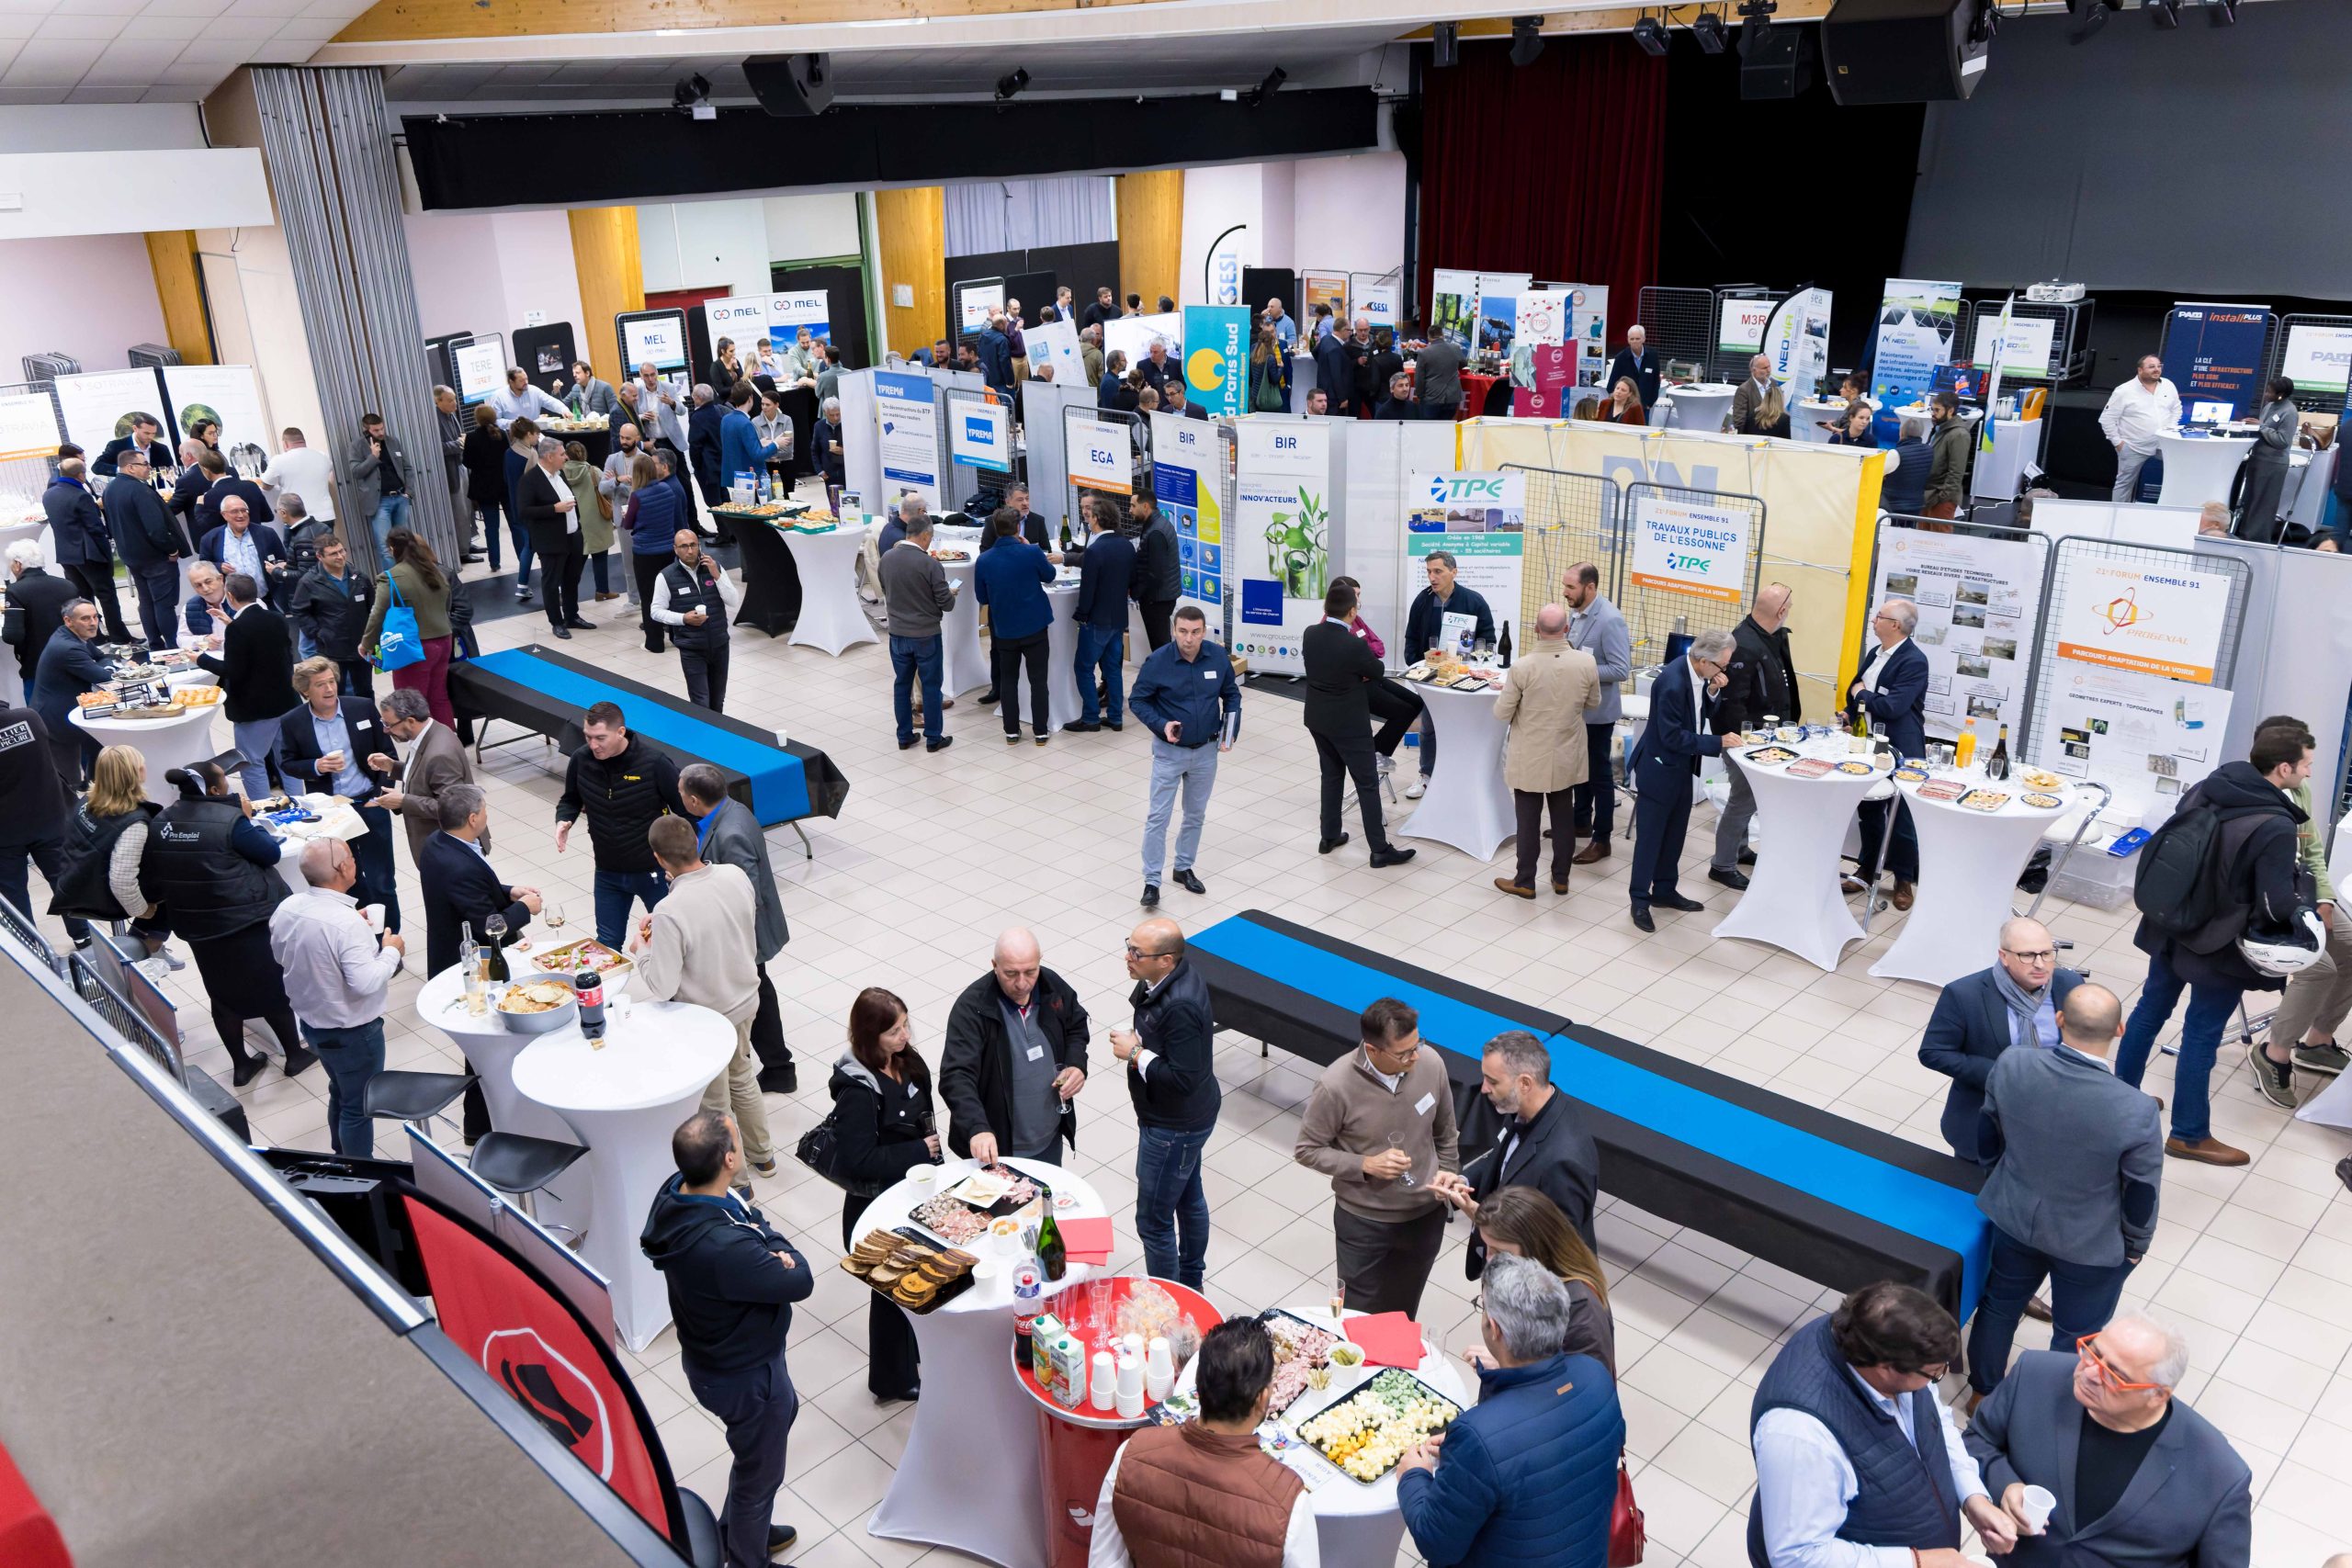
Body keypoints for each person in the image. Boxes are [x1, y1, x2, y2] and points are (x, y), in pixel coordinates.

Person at [2116, 722, 2312, 1166]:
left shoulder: (2210, 786)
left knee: (2149, 1010)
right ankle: (2188, 1135)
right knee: (2201, 1034)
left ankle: (2120, 1101)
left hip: (2173, 919)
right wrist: (2304, 902)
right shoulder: (2276, 824)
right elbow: (2275, 903)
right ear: (2283, 768)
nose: (2308, 773)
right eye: (2306, 764)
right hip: (2218, 942)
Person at [1965, 982, 2161, 1404]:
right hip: (2089, 1243)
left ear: (2058, 1020)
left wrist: (2000, 1181)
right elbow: (2141, 1190)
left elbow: (1987, 1131)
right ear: (2120, 1030)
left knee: (1999, 1305)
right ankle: (2042, 1411)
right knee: (2075, 1335)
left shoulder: (2013, 1063)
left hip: (2014, 1217)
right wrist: (2136, 1245)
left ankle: (1982, 1393)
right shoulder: (2136, 1109)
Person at [639, 1111, 810, 1568]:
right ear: (730, 1160)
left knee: (767, 1435)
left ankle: (736, 1530)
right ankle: (748, 1558)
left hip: (719, 1358)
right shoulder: (723, 1248)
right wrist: (776, 1248)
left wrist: (759, 1238)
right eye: (736, 1137)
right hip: (744, 1373)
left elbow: (750, 1219)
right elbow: (800, 1279)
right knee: (761, 1474)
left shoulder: (678, 1193)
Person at [1750, 1281, 2018, 1568]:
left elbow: (1933, 1420)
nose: (1936, 1379)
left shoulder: (1874, 1337)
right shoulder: (1800, 1435)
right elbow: (1798, 1557)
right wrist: (1919, 1561)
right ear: (1885, 1368)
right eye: (1933, 1374)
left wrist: (1972, 1497)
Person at [1962, 1317, 2251, 1567]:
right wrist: (2006, 1485)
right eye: (2093, 1353)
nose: (2089, 1373)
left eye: (2114, 1375)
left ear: (2157, 1395)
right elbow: (1978, 1440)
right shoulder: (2035, 1376)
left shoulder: (2220, 1476)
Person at [1396, 1254, 1623, 1568]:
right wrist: (1468, 1460)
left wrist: (1414, 1475)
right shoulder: (1596, 1377)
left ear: (1495, 1328)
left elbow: (1436, 1542)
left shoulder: (1479, 1436)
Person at [1090, 1317, 1320, 1568]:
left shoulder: (1130, 1455)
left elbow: (1103, 1561)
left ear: (1198, 1386)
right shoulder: (1288, 1503)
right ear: (1263, 1398)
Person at [141, 761, 310, 1087]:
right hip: (244, 921)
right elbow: (269, 853)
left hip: (197, 924)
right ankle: (294, 1055)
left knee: (222, 996)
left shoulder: (162, 821)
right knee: (271, 988)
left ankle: (241, 1065)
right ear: (215, 790)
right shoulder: (230, 820)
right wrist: (248, 819)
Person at [632, 815, 777, 1188]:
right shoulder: (734, 876)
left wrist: (642, 950)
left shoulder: (670, 910)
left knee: (715, 1105)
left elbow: (662, 985)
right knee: (742, 1076)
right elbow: (719, 921)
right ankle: (764, 1156)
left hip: (707, 1019)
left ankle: (738, 1183)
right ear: (696, 843)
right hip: (745, 998)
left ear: (659, 858)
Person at [1295, 997, 1459, 1317]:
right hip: (1364, 1224)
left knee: (1403, 1313)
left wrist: (1448, 1175)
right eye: (1404, 1053)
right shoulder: (1335, 1086)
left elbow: (1446, 1132)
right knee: (1359, 1316)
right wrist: (1365, 1165)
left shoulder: (1431, 1063)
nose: (1415, 1057)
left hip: (1424, 1218)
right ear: (1373, 1050)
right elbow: (1307, 1150)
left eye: (1418, 1044)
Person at [830, 987, 939, 1400]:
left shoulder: (908, 1061)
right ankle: (892, 1380)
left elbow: (926, 1116)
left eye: (906, 1025)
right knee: (892, 1295)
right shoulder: (857, 1093)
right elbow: (859, 1161)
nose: (905, 1035)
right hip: (875, 1208)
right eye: (894, 1031)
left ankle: (917, 1355)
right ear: (869, 1035)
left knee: (919, 1283)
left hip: (912, 1192)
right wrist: (920, 1151)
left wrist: (932, 1160)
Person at [269, 837, 404, 1156]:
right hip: (354, 1033)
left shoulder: (288, 908)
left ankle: (340, 1155)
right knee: (358, 1108)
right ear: (343, 867)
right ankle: (359, 1170)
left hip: (313, 1025)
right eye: (352, 858)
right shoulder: (345, 924)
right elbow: (366, 982)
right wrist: (391, 951)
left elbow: (280, 955)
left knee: (340, 1092)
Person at [418, 783, 536, 1141]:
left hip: (456, 950)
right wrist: (523, 909)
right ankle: (485, 1123)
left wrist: (508, 892)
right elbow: (488, 926)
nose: (487, 815)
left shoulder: (437, 844)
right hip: (474, 966)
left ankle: (484, 1122)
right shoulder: (457, 864)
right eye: (484, 810)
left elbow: (474, 893)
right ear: (472, 818)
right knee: (488, 1047)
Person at [1106, 916, 1218, 1288]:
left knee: (1153, 1221)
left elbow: (1183, 1079)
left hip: (1174, 1126)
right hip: (1187, 1116)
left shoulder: (1181, 1004)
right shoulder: (1167, 977)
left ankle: (1169, 1300)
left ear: (1166, 959)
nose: (1128, 956)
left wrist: (1136, 1053)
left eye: (1137, 953)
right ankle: (1191, 1283)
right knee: (1188, 1197)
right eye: (1129, 946)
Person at [1917, 918, 2086, 1164]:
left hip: (2054, 1122)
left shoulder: (2069, 985)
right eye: (2027, 955)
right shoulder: (1965, 994)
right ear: (2003, 956)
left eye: (2047, 953)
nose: (2040, 964)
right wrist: (2002, 1074)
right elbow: (1934, 1052)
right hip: (1986, 1123)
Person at [678, 762, 794, 1094]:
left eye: (681, 793)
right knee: (759, 990)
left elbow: (746, 894)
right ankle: (777, 1065)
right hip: (743, 932)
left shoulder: (731, 834)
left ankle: (778, 1067)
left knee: (756, 994)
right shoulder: (733, 810)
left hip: (745, 935)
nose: (680, 797)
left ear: (695, 800)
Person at [1440, 1029, 1600, 1262]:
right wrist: (1463, 1182)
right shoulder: (1524, 1106)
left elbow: (1560, 1248)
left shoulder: (1564, 1160)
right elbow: (1504, 1162)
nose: (1483, 1088)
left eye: (1492, 1081)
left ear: (1525, 1083)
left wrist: (1486, 1220)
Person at [940, 927, 1090, 1166]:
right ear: (994, 965)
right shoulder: (972, 1008)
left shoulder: (1052, 986)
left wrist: (1076, 1064)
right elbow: (957, 1076)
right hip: (995, 1147)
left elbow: (1076, 1025)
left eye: (1030, 972)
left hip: (1048, 1139)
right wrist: (977, 1127)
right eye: (1011, 974)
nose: (1022, 984)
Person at [1628, 626, 1744, 933]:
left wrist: (1714, 691)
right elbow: (1672, 736)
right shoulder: (1672, 682)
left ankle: (1665, 890)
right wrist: (1718, 742)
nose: (1724, 671)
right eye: (1722, 666)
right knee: (1650, 840)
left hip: (1680, 768)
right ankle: (1639, 900)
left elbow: (1699, 712)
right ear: (1704, 660)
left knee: (1675, 834)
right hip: (1660, 769)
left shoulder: (1697, 675)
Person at [277, 656, 403, 933]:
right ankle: (362, 935)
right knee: (346, 881)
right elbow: (287, 762)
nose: (329, 689)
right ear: (305, 690)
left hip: (369, 804)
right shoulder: (293, 721)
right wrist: (316, 766)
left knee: (382, 880)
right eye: (320, 684)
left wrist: (379, 796)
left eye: (331, 681)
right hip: (332, 813)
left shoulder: (361, 708)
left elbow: (388, 754)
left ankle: (390, 938)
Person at [1126, 606, 1239, 906]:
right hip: (1169, 753)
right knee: (1158, 817)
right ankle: (1152, 881)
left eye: (1195, 632)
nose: (1189, 639)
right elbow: (1138, 700)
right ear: (1174, 630)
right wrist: (1162, 725)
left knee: (1195, 814)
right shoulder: (1158, 661)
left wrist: (1230, 731)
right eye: (1183, 632)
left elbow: (1231, 694)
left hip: (1206, 752)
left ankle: (1183, 867)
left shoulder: (1217, 657)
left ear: (1204, 632)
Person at [1302, 581, 1415, 868]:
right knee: (1367, 783)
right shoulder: (1353, 644)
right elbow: (1377, 670)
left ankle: (1329, 836)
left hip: (1318, 719)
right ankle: (1379, 849)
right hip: (1349, 724)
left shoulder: (1310, 633)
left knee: (1331, 776)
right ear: (1352, 611)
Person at [1489, 604, 1600, 899]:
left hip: (1530, 754)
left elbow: (1502, 713)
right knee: (1563, 817)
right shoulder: (1586, 663)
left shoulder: (1523, 667)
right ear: (1567, 629)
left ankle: (1525, 880)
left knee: (1528, 820)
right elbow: (1593, 703)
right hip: (1567, 752)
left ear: (1536, 629)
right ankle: (1561, 878)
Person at [557, 701, 686, 949]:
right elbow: (570, 799)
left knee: (672, 939)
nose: (593, 745)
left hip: (655, 872)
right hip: (608, 871)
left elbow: (686, 813)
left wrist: (682, 863)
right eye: (588, 737)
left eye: (600, 738)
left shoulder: (654, 763)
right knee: (607, 943)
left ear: (620, 732)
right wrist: (565, 819)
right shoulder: (581, 760)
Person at [1707, 582, 1801, 890]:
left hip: (1765, 736)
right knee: (1742, 800)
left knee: (1749, 799)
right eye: (1790, 606)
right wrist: (1744, 746)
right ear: (1781, 611)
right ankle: (1722, 865)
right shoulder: (1744, 644)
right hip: (1745, 741)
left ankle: (1740, 849)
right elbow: (1733, 702)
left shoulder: (1770, 637)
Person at [48, 745, 175, 971]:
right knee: (175, 886)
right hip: (102, 896)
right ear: (135, 774)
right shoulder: (134, 823)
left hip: (76, 881)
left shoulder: (88, 800)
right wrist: (142, 910)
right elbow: (122, 882)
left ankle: (141, 939)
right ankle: (147, 947)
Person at [1464, 1187, 1615, 1373]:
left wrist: (1507, 1366)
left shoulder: (1582, 1308)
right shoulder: (1524, 1283)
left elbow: (1585, 1381)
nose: (1489, 1260)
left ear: (1536, 1246)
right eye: (1487, 1248)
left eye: (1500, 1252)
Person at [1844, 599, 1928, 909]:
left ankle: (1904, 880)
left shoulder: (1914, 661)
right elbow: (1859, 692)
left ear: (1895, 625)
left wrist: (1862, 695)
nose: (1873, 620)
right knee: (1868, 808)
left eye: (1879, 616)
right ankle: (1866, 869)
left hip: (1901, 746)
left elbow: (1893, 706)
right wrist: (1851, 710)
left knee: (1901, 815)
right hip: (1867, 742)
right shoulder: (1875, 653)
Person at [1398, 551, 1495, 799]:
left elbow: (1488, 640)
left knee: (1463, 727)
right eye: (1429, 572)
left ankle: (1463, 777)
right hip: (1431, 678)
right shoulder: (1423, 601)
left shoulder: (1474, 601)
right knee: (1429, 727)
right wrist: (1415, 663)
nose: (1432, 577)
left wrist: (1471, 664)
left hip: (1464, 677)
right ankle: (1426, 775)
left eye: (1438, 571)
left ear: (1454, 572)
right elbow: (1411, 637)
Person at [194, 572, 296, 799]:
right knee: (287, 759)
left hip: (255, 709)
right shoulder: (277, 618)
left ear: (230, 596)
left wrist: (200, 658)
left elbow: (233, 671)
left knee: (251, 762)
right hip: (285, 701)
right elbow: (265, 647)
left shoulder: (237, 629)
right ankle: (301, 804)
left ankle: (262, 808)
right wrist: (231, 624)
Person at [0, 695, 80, 945]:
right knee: (63, 877)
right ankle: (84, 936)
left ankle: (29, 945)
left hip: (5, 830)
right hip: (48, 815)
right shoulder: (30, 718)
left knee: (12, 889)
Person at [368, 686, 478, 864]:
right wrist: (393, 767)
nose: (385, 730)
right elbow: (427, 774)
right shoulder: (431, 732)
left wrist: (404, 801)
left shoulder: (440, 754)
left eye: (389, 725)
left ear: (410, 721)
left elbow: (453, 808)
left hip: (449, 852)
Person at [974, 508, 1057, 745]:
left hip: (1005, 630)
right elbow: (1049, 575)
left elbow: (982, 597)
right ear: (1018, 527)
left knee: (1008, 680)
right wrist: (1030, 547)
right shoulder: (1031, 552)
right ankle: (1040, 731)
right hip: (1035, 626)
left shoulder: (984, 560)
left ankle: (1011, 731)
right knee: (1038, 680)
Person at [359, 527, 456, 730]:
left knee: (411, 704)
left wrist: (366, 643)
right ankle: (448, 741)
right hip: (444, 640)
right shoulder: (434, 570)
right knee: (438, 697)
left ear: (392, 548)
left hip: (414, 647)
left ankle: (425, 744)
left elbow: (377, 614)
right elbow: (447, 604)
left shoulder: (391, 577)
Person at [876, 510, 956, 754]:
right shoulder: (930, 564)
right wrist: (950, 593)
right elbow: (947, 604)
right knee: (931, 686)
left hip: (898, 634)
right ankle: (933, 738)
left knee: (902, 685)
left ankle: (904, 736)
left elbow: (886, 589)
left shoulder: (886, 559)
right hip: (926, 635)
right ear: (925, 536)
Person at [101, 446, 184, 649]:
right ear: (130, 467)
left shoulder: (110, 489)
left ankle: (155, 644)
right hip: (155, 557)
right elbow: (156, 529)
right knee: (164, 603)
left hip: (131, 556)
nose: (149, 467)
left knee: (146, 601)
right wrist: (172, 549)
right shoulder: (140, 490)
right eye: (144, 464)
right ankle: (173, 646)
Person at [651, 528, 740, 712]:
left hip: (720, 644)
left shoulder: (714, 567)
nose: (690, 551)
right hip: (692, 649)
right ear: (675, 549)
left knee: (718, 700)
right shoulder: (666, 576)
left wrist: (717, 575)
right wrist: (683, 618)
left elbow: (733, 600)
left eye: (693, 545)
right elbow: (656, 611)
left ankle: (716, 730)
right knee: (700, 702)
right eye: (684, 546)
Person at [1066, 495, 1134, 734]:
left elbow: (1088, 589)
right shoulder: (1126, 545)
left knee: (1084, 668)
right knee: (1113, 668)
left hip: (1097, 620)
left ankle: (1091, 718)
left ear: (1096, 519)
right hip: (1119, 618)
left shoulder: (1095, 551)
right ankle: (1115, 717)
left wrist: (1082, 614)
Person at [29, 599, 113, 787]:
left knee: (98, 749)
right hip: (55, 721)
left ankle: (94, 787)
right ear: (68, 621)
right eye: (85, 618)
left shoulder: (72, 635)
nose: (93, 623)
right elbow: (103, 676)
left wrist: (104, 665)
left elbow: (102, 657)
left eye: (95, 617)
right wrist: (107, 667)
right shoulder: (68, 647)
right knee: (68, 781)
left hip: (70, 711)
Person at [42, 458, 128, 642]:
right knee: (107, 595)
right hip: (88, 553)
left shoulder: (48, 495)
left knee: (82, 597)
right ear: (81, 475)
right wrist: (107, 553)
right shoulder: (80, 496)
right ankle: (119, 636)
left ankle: (93, 638)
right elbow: (95, 528)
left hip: (66, 554)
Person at [286, 533, 376, 698]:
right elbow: (299, 610)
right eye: (333, 553)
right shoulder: (309, 582)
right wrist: (318, 633)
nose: (340, 556)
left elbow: (373, 607)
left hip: (361, 647)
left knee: (365, 690)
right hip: (332, 650)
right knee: (335, 692)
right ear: (319, 556)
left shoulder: (359, 577)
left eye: (342, 551)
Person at [520, 436, 591, 637]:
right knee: (551, 583)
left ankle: (572, 616)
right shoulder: (530, 480)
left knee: (572, 579)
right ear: (549, 457)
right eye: (562, 454)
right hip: (550, 541)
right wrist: (554, 508)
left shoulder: (560, 474)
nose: (566, 457)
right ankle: (557, 622)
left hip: (573, 536)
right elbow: (524, 511)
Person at [622, 451, 690, 653]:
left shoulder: (637, 496)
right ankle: (677, 636)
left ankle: (654, 642)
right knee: (671, 594)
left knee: (649, 597)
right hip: (667, 550)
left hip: (645, 553)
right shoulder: (667, 489)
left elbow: (628, 524)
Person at [2098, 354, 2181, 503]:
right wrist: (2118, 443)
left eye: (2159, 366)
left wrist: (2170, 429)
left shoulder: (2168, 385)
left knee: (2178, 476)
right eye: (2151, 367)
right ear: (2140, 370)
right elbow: (2106, 419)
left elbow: (2176, 409)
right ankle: (2117, 513)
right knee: (2124, 484)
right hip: (2134, 446)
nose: (2156, 369)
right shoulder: (2124, 391)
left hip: (2164, 444)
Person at [4, 541, 76, 695]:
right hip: (72, 659)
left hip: (36, 664)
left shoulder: (15, 591)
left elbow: (12, 635)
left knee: (39, 707)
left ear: (17, 564)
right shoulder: (68, 586)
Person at [345, 412, 413, 569]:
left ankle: (409, 576)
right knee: (385, 546)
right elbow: (356, 472)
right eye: (376, 430)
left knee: (404, 543)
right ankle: (393, 580)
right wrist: (373, 457)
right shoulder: (357, 446)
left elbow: (407, 468)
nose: (381, 432)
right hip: (379, 501)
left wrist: (408, 492)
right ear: (367, 430)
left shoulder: (393, 441)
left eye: (382, 428)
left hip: (400, 497)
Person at [197, 494, 289, 610]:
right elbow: (203, 567)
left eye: (244, 510)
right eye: (234, 511)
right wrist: (219, 567)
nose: (241, 515)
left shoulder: (267, 534)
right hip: (233, 604)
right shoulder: (210, 539)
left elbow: (283, 560)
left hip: (268, 599)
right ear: (224, 515)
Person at [2237, 374, 2300, 543]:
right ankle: (2245, 535)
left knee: (2264, 503)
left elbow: (2283, 441)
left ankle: (2257, 539)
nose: (2266, 394)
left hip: (2273, 463)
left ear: (2280, 394)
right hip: (2258, 458)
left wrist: (2261, 427)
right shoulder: (2269, 406)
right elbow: (2263, 427)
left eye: (2269, 391)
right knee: (2251, 500)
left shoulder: (2290, 412)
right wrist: (2252, 425)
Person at [462, 402, 517, 581]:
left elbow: (467, 462)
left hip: (484, 489)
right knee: (515, 524)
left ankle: (494, 562)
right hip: (504, 485)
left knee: (491, 527)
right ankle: (523, 556)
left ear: (477, 419)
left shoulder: (472, 437)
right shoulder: (502, 434)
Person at [560, 439, 619, 604]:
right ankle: (602, 590)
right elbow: (608, 491)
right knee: (600, 555)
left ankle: (566, 592)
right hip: (596, 520)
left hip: (574, 522)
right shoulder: (594, 471)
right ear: (584, 454)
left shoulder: (560, 474)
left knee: (575, 562)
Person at [258, 426, 338, 540]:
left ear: (285, 444)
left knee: (300, 550)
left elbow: (266, 486)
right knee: (327, 549)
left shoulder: (279, 460)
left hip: (297, 517)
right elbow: (328, 469)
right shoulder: (322, 456)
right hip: (325, 514)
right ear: (303, 441)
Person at [717, 380, 778, 500]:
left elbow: (736, 444)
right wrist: (776, 444)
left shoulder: (726, 419)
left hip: (734, 476)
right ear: (750, 398)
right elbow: (757, 455)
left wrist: (758, 443)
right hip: (750, 478)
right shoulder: (746, 424)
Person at [1919, 389, 1971, 522]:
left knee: (1939, 534)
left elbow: (1956, 472)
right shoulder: (1939, 428)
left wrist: (1943, 497)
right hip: (1929, 495)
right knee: (1921, 533)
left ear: (1950, 410)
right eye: (1932, 409)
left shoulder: (1959, 435)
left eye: (1937, 410)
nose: (1933, 413)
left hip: (1942, 500)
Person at [1882, 416, 1933, 516]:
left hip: (1893, 506)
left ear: (1901, 433)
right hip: (1917, 505)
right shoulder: (1930, 451)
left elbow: (1877, 473)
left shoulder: (1895, 454)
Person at [93, 413, 169, 478]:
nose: (150, 437)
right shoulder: (117, 445)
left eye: (153, 434)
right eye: (146, 433)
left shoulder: (162, 449)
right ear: (135, 428)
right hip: (128, 489)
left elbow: (169, 471)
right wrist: (122, 470)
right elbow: (97, 466)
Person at [489, 367, 568, 425]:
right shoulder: (499, 396)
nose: (526, 382)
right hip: (512, 436)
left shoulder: (533, 391)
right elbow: (495, 421)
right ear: (511, 382)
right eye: (521, 381)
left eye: (526, 379)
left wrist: (564, 410)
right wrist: (516, 424)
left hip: (534, 434)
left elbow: (550, 401)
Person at [1606, 326, 1662, 411]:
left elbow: (1656, 381)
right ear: (1628, 340)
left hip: (1644, 407)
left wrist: (1650, 403)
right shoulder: (1620, 358)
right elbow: (1611, 385)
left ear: (1644, 339)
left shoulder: (1653, 356)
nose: (1635, 341)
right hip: (1625, 408)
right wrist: (1620, 403)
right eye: (1632, 339)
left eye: (1637, 339)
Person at [1311, 320, 1353, 419]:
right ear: (1343, 330)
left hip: (1324, 389)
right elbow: (1336, 376)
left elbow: (1314, 351)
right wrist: (1342, 399)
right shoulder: (1335, 349)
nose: (1350, 333)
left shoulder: (1326, 338)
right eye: (1349, 330)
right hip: (1334, 397)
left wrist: (1324, 365)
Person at [813, 398, 845, 514]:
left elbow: (857, 447)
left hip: (847, 472)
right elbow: (814, 451)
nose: (836, 418)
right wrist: (820, 471)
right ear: (825, 413)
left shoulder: (847, 424)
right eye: (832, 415)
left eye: (838, 414)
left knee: (848, 505)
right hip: (829, 474)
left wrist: (844, 451)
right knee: (835, 508)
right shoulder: (819, 426)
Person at [1731, 355, 1777, 434]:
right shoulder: (1743, 390)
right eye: (1764, 368)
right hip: (1754, 436)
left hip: (1774, 433)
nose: (1769, 370)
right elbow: (1739, 422)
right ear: (1754, 370)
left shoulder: (1773, 383)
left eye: (1769, 366)